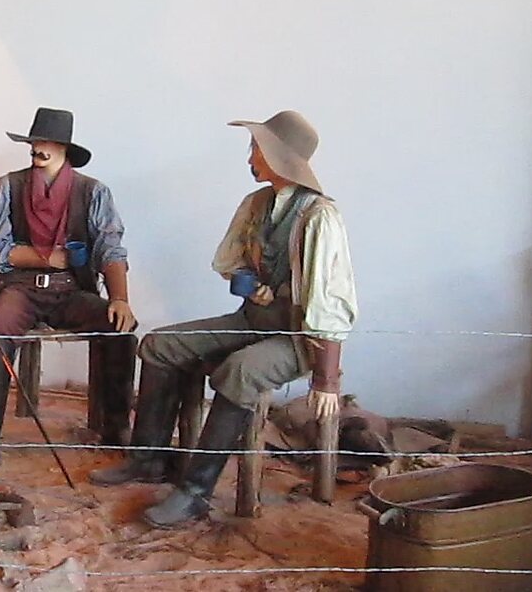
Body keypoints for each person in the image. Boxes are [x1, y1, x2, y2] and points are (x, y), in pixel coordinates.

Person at [92, 110, 358, 528]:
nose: (250, 156)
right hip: (252, 320)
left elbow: (331, 301)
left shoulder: (319, 216)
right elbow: (230, 259)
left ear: (278, 155)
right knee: (159, 346)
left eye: (256, 148)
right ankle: (148, 459)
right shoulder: (256, 204)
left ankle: (195, 491)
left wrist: (326, 378)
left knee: (239, 371)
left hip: (297, 338)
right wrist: (249, 283)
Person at [0, 107, 137, 469]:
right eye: (35, 142)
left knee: (120, 328)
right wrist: (45, 258)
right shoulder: (9, 186)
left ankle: (115, 427)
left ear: (65, 148)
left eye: (48, 143)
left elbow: (110, 246)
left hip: (71, 291)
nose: (39, 149)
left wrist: (120, 298)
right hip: (20, 287)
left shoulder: (92, 191)